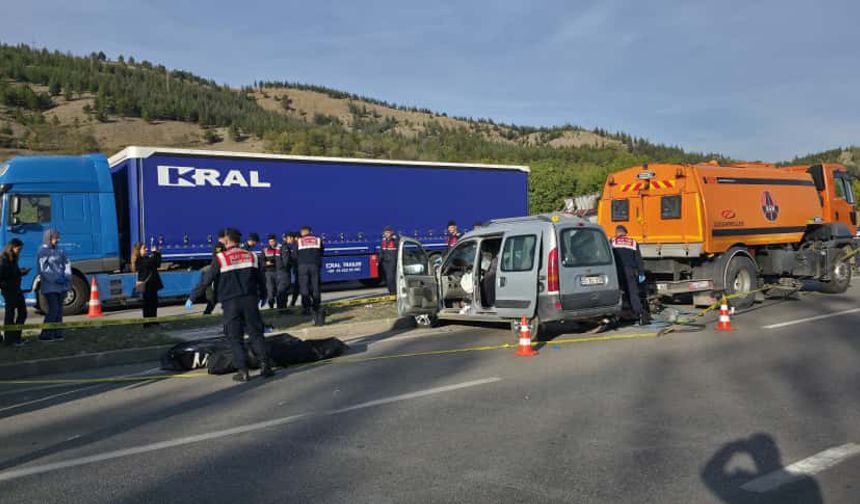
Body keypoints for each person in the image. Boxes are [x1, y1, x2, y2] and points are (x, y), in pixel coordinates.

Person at [189, 228, 274, 382]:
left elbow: (207, 279)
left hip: (230, 303)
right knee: (256, 334)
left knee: (235, 337)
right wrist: (264, 294)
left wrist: (193, 297)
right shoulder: (251, 256)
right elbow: (261, 279)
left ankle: (243, 371)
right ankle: (265, 366)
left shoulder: (221, 258)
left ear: (227, 240)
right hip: (250, 301)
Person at [610, 225, 650, 325]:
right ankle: (640, 315)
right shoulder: (633, 242)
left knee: (619, 293)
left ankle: (618, 315)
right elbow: (638, 259)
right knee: (633, 293)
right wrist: (641, 273)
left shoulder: (612, 241)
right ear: (625, 233)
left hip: (617, 271)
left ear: (617, 232)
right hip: (630, 271)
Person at [36, 229, 71, 341]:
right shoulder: (42, 251)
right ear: (49, 238)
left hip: (61, 285)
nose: (57, 240)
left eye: (58, 237)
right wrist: (55, 278)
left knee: (59, 310)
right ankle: (45, 335)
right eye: (55, 238)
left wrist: (67, 276)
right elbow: (43, 270)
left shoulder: (60, 250)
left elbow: (66, 263)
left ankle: (58, 333)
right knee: (54, 309)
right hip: (50, 286)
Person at [0, 239, 29, 346]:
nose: (19, 251)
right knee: (10, 315)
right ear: (12, 247)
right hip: (9, 290)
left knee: (23, 313)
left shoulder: (14, 258)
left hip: (16, 289)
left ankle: (16, 337)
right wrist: (17, 273)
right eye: (18, 249)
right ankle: (9, 339)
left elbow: (13, 273)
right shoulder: (4, 259)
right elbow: (3, 275)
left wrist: (21, 272)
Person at [131, 242, 163, 327]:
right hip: (147, 285)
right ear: (139, 250)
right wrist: (154, 253)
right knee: (147, 304)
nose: (146, 249)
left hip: (153, 284)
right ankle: (147, 322)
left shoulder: (146, 258)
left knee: (154, 303)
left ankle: (154, 320)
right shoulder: (139, 260)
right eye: (144, 248)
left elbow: (157, 264)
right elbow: (148, 263)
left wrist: (158, 254)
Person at [297, 225, 323, 322]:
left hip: (303, 266)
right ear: (310, 231)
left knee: (304, 287)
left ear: (302, 232)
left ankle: (306, 308)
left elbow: (295, 254)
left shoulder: (299, 241)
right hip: (315, 265)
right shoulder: (318, 240)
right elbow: (321, 252)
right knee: (316, 286)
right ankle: (316, 307)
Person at [203, 242, 226, 315]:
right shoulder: (219, 246)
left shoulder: (222, 246)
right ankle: (207, 312)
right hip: (219, 274)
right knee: (215, 296)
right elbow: (217, 258)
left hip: (221, 274)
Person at [261, 234, 282, 309]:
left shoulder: (280, 248)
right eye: (270, 242)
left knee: (280, 291)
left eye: (273, 241)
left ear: (276, 241)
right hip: (269, 273)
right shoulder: (265, 250)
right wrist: (266, 263)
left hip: (278, 272)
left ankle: (280, 308)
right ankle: (271, 307)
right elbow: (261, 262)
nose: (272, 243)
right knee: (270, 291)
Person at [378, 226, 398, 295]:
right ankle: (391, 292)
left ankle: (393, 293)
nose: (386, 234)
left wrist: (396, 259)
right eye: (385, 232)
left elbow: (398, 250)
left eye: (387, 232)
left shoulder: (395, 240)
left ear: (391, 233)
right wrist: (379, 260)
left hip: (392, 261)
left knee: (390, 277)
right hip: (385, 262)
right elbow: (381, 251)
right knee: (386, 278)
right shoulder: (383, 241)